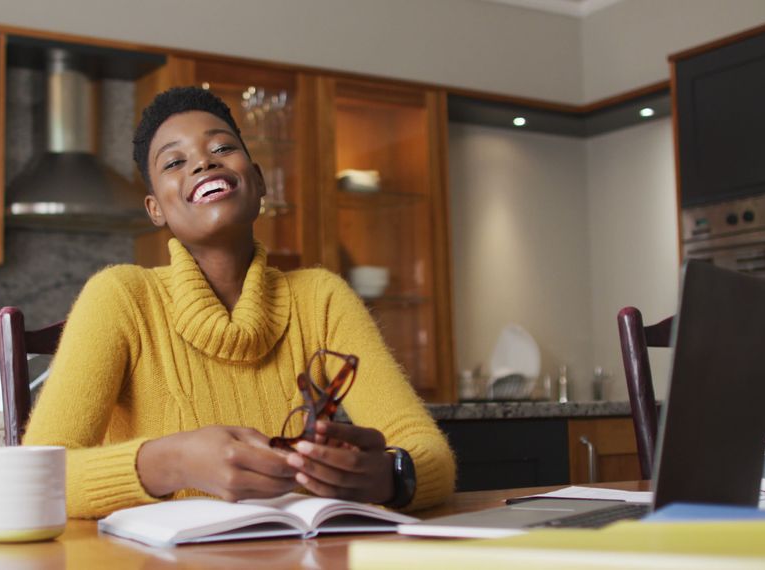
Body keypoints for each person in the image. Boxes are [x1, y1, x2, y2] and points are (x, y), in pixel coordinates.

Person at [23, 86, 455, 518]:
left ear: (259, 180)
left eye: (223, 148)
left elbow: (428, 451)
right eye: (175, 162)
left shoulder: (322, 297)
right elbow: (35, 478)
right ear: (156, 209)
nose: (204, 162)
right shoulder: (121, 297)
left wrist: (389, 475)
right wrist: (173, 462)